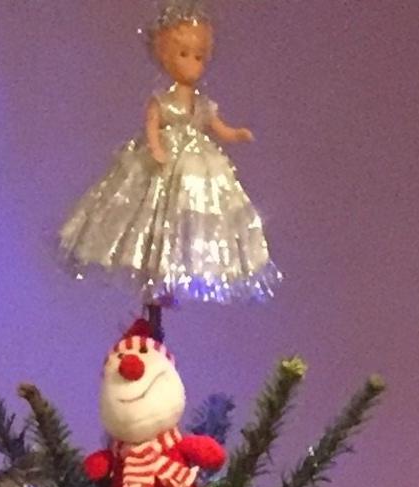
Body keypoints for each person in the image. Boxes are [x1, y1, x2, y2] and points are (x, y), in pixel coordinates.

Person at [59, 7, 274, 306]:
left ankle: (170, 277)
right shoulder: (162, 100)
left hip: (197, 169)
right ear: (165, 54)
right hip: (164, 163)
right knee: (153, 215)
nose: (192, 64)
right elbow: (151, 126)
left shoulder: (201, 104)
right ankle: (156, 276)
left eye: (198, 56)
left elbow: (218, 127)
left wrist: (237, 134)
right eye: (184, 54)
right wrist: (156, 148)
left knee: (192, 216)